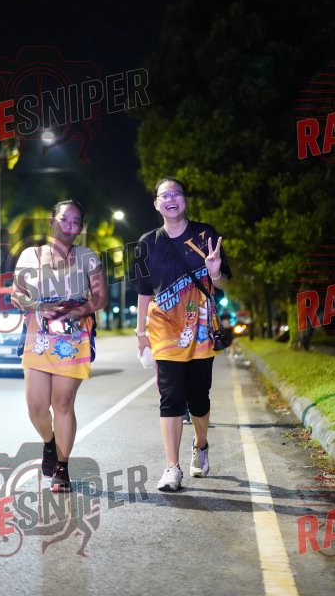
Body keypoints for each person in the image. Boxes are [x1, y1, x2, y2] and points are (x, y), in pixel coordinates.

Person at [133, 178, 232, 492]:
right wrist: (140, 332)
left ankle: (201, 444)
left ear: (185, 200)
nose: (171, 199)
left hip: (200, 328)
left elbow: (223, 283)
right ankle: (172, 467)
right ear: (156, 204)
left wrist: (214, 271)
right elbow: (144, 292)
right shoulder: (147, 243)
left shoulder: (205, 235)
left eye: (176, 194)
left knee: (199, 398)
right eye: (165, 195)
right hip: (164, 330)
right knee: (171, 397)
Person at [11, 200, 107, 493]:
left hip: (74, 337)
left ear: (81, 228)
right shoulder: (31, 255)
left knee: (63, 402)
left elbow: (100, 297)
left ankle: (62, 469)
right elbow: (17, 295)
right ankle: (50, 443)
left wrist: (80, 310)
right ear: (52, 221)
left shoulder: (88, 257)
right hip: (38, 336)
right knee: (36, 406)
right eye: (64, 219)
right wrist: (38, 306)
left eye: (76, 222)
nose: (69, 226)